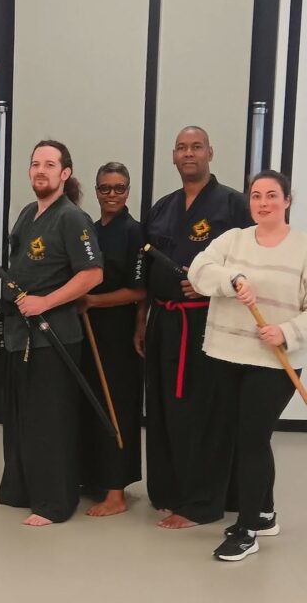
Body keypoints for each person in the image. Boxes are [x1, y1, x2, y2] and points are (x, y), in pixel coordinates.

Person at [189, 170, 307, 560]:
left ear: (287, 201)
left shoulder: (303, 248)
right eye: (256, 196)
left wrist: (286, 331)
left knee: (252, 439)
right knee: (244, 437)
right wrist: (234, 278)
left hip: (274, 362)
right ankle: (265, 513)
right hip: (226, 353)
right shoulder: (233, 240)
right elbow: (199, 271)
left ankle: (247, 530)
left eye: (272, 195)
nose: (263, 203)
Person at [140, 126, 252, 528]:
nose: (189, 153)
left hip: (207, 323)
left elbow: (249, 263)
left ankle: (201, 502)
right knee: (163, 409)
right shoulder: (162, 208)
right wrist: (141, 322)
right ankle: (169, 492)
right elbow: (146, 270)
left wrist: (210, 284)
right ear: (173, 156)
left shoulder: (233, 205)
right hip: (163, 319)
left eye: (197, 147)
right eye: (182, 148)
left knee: (202, 411)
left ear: (210, 153)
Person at [0, 140, 103, 526]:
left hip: (53, 335)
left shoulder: (72, 217)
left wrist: (46, 302)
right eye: (35, 164)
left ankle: (54, 502)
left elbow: (93, 274)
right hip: (21, 333)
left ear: (65, 173)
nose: (40, 170)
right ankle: (23, 490)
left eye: (49, 164)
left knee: (50, 422)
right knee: (23, 419)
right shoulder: (28, 213)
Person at [78, 162, 145, 516]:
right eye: (105, 188)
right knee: (90, 403)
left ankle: (116, 492)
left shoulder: (134, 232)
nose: (112, 195)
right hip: (86, 329)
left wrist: (92, 301)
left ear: (128, 191)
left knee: (115, 404)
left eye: (119, 188)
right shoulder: (88, 230)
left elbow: (139, 290)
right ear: (97, 191)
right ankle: (94, 479)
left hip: (118, 332)